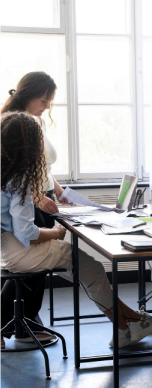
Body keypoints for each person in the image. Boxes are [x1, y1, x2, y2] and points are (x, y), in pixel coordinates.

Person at [0, 112, 152, 348]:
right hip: (24, 253)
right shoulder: (20, 177)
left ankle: (131, 322)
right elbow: (27, 233)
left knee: (89, 272)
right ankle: (125, 326)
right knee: (93, 270)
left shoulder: (6, 173)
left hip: (9, 252)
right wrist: (56, 233)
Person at [0, 72, 69, 348]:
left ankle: (27, 323)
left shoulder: (35, 121)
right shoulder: (15, 125)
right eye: (44, 100)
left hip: (43, 196)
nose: (47, 106)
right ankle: (21, 325)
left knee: (35, 270)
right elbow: (15, 172)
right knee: (30, 268)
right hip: (30, 200)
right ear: (29, 96)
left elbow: (42, 165)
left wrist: (58, 189)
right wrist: (38, 196)